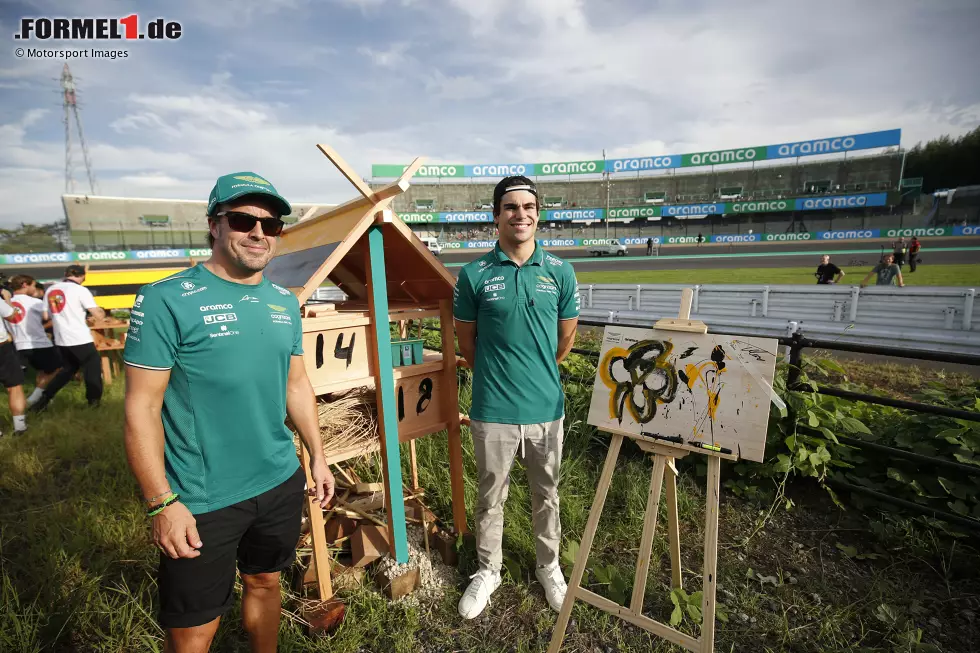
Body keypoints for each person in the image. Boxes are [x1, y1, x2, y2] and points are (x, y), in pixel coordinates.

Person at [122, 171, 335, 652]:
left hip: (279, 480)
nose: (259, 232)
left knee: (265, 583)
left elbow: (296, 384)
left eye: (272, 224)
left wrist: (317, 456)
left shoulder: (284, 302)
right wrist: (161, 502)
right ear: (214, 226)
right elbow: (141, 407)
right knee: (196, 626)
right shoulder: (165, 299)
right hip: (203, 498)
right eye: (243, 220)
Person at [453, 175, 579, 620]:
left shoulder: (560, 272)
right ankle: (489, 569)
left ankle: (549, 567)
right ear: (496, 216)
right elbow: (466, 345)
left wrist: (537, 372)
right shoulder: (473, 275)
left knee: (547, 495)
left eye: (528, 207)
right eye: (510, 207)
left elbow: (564, 341)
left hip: (547, 408)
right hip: (493, 409)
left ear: (538, 215)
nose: (520, 214)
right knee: (491, 497)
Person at [32, 265, 106, 411]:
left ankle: (43, 401)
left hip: (60, 338)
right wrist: (101, 312)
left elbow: (46, 316)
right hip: (79, 337)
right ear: (83, 276)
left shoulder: (51, 290)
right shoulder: (80, 290)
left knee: (68, 370)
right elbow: (98, 315)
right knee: (93, 367)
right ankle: (94, 403)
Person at [6, 275, 62, 407]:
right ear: (25, 285)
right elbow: (52, 315)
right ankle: (34, 398)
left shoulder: (7, 303)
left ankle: (44, 401)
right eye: (33, 285)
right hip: (38, 342)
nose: (34, 289)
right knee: (58, 368)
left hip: (18, 344)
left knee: (43, 371)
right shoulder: (34, 302)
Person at [0, 293, 28, 435]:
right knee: (14, 386)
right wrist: (7, 299)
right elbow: (12, 315)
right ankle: (20, 427)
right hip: (1, 347)